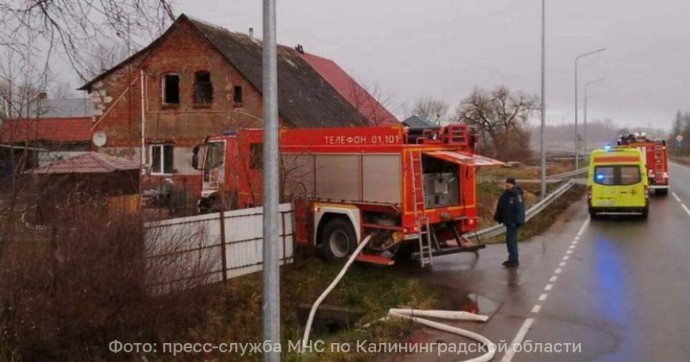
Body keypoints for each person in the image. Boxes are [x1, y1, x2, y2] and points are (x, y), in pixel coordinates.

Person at [493, 178, 525, 268]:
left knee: (511, 240)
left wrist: (518, 221)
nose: (506, 186)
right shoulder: (506, 194)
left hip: (513, 222)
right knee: (510, 240)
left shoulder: (516, 194)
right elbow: (501, 206)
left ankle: (513, 260)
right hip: (508, 221)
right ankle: (512, 258)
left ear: (513, 184)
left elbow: (519, 209)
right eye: (506, 185)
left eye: (508, 185)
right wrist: (498, 217)